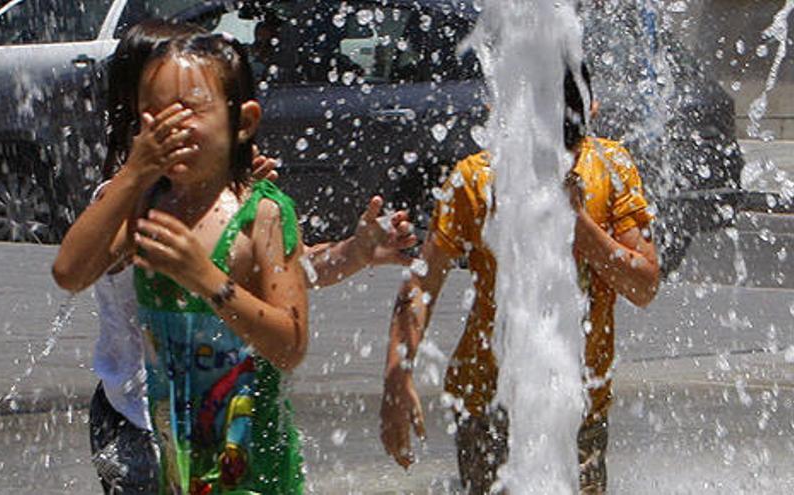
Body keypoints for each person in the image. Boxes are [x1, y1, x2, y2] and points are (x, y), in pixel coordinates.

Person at [53, 21, 416, 494]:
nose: (172, 127)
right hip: (159, 448)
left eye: (189, 110)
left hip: (254, 470)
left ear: (241, 122)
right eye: (155, 113)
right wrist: (136, 172)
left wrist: (207, 277)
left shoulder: (262, 213)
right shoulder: (138, 206)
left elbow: (290, 339)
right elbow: (69, 272)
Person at [379, 63, 660, 494]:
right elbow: (421, 284)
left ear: (591, 113)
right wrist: (397, 377)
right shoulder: (475, 179)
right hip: (487, 405)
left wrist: (579, 222)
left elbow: (644, 284)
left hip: (578, 408)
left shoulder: (611, 167)